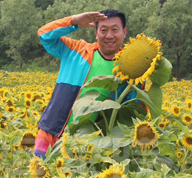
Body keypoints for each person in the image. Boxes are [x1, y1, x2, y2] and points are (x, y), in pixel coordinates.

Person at [33, 9, 128, 158]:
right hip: (52, 131)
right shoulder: (75, 50)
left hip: (88, 143)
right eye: (103, 30)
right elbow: (44, 35)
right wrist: (73, 21)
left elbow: (127, 112)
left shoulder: (128, 69)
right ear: (96, 33)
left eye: (114, 30)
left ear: (124, 32)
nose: (109, 35)